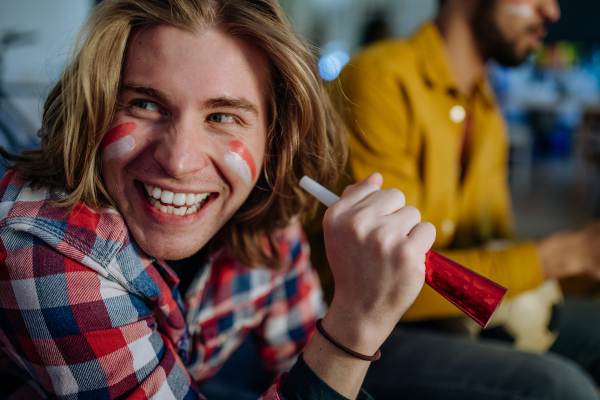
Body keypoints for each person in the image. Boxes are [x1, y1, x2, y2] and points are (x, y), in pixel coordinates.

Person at [0, 0, 438, 399]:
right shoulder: (43, 249)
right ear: (92, 110)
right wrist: (355, 324)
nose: (179, 161)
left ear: (274, 139)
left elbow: (303, 355)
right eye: (146, 105)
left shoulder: (267, 216)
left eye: (222, 116)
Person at [308, 0, 600, 398]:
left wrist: (586, 262)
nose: (552, 11)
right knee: (562, 389)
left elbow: (495, 259)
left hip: (455, 313)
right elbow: (391, 281)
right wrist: (565, 255)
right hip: (372, 328)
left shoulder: (485, 109)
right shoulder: (377, 80)